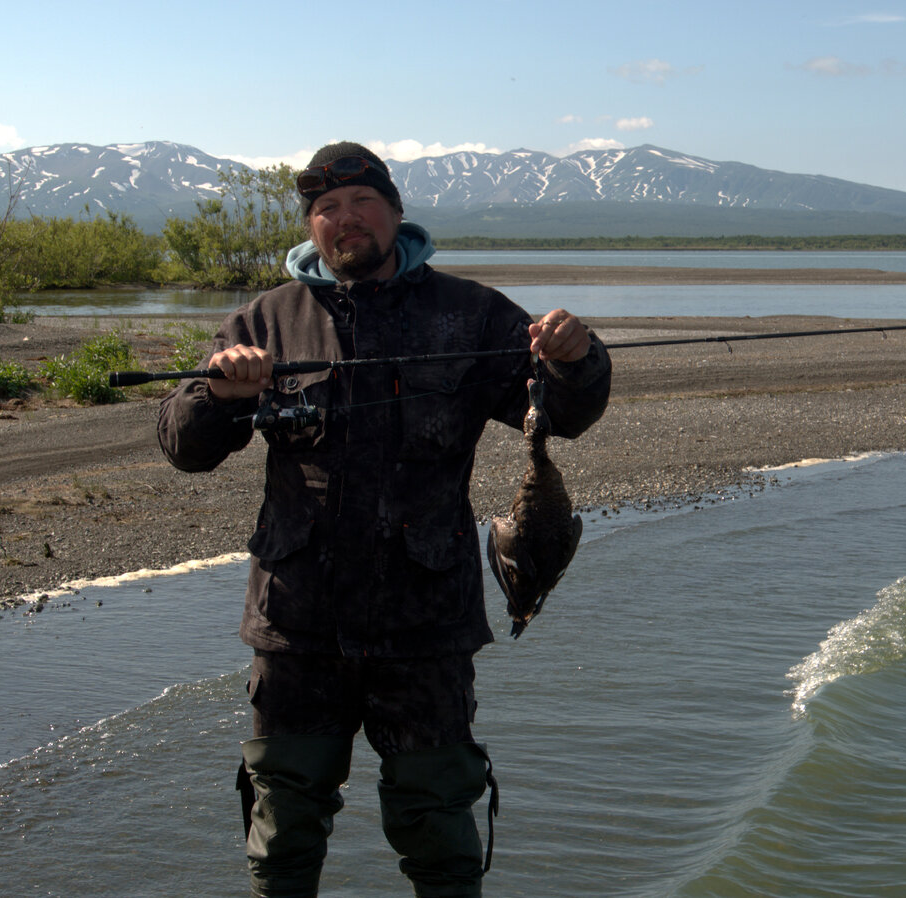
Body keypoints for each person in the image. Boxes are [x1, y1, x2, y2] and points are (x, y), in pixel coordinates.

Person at [158, 142, 611, 897]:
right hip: (297, 623)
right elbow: (183, 446)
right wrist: (219, 394)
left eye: (362, 202)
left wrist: (576, 358)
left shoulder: (471, 313)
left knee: (439, 826)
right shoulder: (266, 319)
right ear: (312, 227)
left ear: (396, 213)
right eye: (327, 209)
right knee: (284, 827)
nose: (346, 219)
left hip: (426, 624)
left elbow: (561, 414)